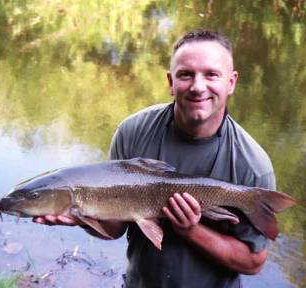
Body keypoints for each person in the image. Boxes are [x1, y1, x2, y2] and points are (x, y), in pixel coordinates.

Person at [34, 29, 276, 288]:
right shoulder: (132, 132)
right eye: (186, 74)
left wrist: (191, 231)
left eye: (211, 74)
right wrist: (83, 217)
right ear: (171, 82)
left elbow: (253, 262)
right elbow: (115, 229)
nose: (197, 86)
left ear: (231, 82)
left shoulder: (253, 165)